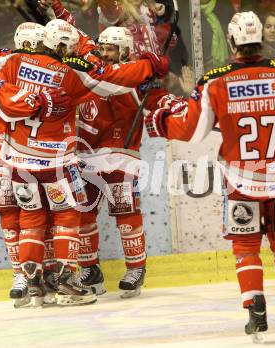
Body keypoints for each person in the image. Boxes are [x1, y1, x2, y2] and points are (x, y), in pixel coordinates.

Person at [144, 11, 275, 342]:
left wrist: (162, 119)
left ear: (232, 42)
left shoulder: (215, 81)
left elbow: (192, 131)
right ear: (258, 41)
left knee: (245, 244)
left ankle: (256, 310)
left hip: (242, 180)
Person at [0, 18, 168, 307]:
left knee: (33, 220)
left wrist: (30, 91)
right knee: (71, 217)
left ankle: (33, 277)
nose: (104, 52)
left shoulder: (12, 63)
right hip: (59, 161)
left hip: (23, 160)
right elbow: (108, 77)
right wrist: (148, 65)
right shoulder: (74, 74)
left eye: (112, 48)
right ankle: (70, 278)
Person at [73, 26, 169, 299]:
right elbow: (81, 40)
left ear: (124, 50)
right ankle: (90, 269)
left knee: (126, 217)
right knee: (83, 216)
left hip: (120, 158)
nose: (104, 53)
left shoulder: (133, 75)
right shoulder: (99, 70)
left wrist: (153, 69)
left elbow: (137, 81)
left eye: (110, 49)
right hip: (86, 157)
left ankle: (136, 268)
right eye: (101, 48)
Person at [0, 21, 45, 308]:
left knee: (41, 217)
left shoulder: (43, 74)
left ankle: (41, 272)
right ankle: (20, 274)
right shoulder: (2, 69)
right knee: (11, 216)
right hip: (3, 156)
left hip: (33, 156)